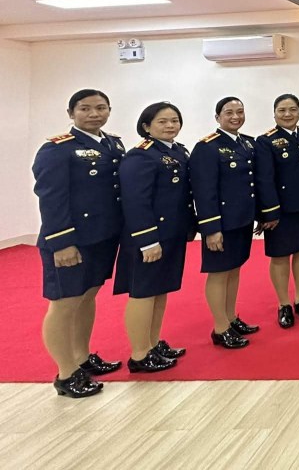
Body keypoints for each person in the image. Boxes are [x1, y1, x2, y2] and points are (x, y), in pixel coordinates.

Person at [33, 89, 124, 397]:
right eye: (85, 109)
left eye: (100, 107)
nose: (94, 114)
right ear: (71, 113)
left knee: (87, 297)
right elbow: (51, 198)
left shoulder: (112, 144)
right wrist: (61, 242)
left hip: (101, 236)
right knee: (64, 304)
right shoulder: (57, 149)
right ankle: (66, 372)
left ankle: (82, 358)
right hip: (72, 241)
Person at [114, 102, 194, 372]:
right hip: (149, 237)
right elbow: (136, 201)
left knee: (159, 291)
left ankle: (153, 343)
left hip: (171, 233)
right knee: (143, 293)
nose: (170, 125)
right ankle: (139, 354)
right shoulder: (141, 156)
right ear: (146, 126)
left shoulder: (177, 151)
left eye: (174, 120)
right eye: (162, 121)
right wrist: (147, 240)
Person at [190, 97, 259, 350]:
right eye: (229, 112)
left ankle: (230, 318)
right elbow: (204, 191)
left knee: (233, 270)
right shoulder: (207, 147)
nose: (235, 117)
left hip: (241, 220)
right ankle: (220, 328)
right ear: (217, 117)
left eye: (240, 111)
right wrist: (211, 229)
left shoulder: (246, 143)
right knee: (219, 273)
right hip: (221, 224)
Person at [254, 94, 299, 328]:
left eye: (292, 109)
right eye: (282, 110)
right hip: (280, 210)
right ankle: (284, 304)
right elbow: (264, 179)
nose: (288, 114)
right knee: (280, 256)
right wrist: (269, 212)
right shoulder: (266, 141)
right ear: (274, 114)